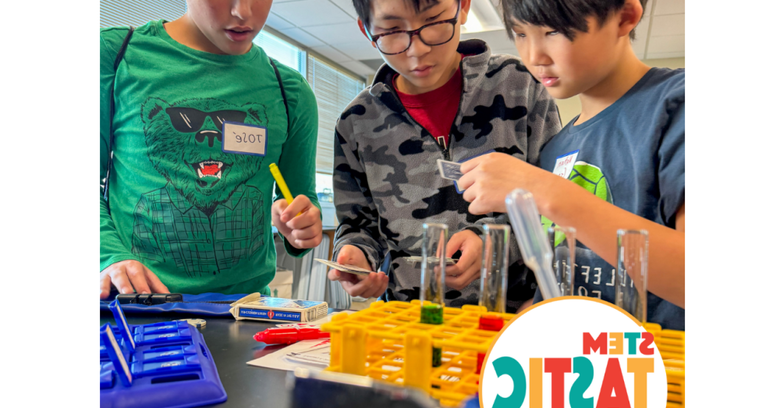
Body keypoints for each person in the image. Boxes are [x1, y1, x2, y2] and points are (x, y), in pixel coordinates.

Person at [458, 0, 685, 329]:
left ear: (624, 18)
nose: (534, 56)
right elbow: (561, 285)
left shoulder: (677, 105)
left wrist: (543, 189)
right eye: (520, 34)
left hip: (653, 370)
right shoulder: (556, 149)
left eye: (554, 31)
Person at [328, 0, 561, 310]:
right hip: (409, 321)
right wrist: (355, 256)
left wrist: (496, 245)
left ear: (462, 7)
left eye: (434, 21)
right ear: (367, 29)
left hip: (513, 317)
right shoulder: (356, 122)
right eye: (393, 31)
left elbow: (558, 205)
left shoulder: (519, 85)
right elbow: (358, 226)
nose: (417, 50)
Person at [100, 0, 323, 299]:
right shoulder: (114, 56)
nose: (243, 12)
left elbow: (301, 200)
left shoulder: (290, 90)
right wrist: (110, 256)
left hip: (246, 311)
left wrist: (302, 227)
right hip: (136, 304)